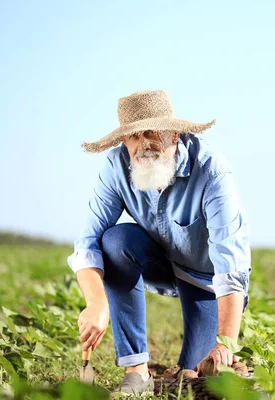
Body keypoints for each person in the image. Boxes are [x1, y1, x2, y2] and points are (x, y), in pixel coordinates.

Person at [68, 90, 251, 396]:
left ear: (174, 133)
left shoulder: (212, 170)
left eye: (152, 132)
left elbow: (230, 265)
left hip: (205, 278)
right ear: (123, 141)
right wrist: (96, 303)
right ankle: (136, 371)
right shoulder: (116, 168)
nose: (143, 144)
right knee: (115, 241)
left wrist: (224, 344)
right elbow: (86, 243)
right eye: (133, 136)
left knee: (197, 377)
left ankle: (233, 361)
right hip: (156, 260)